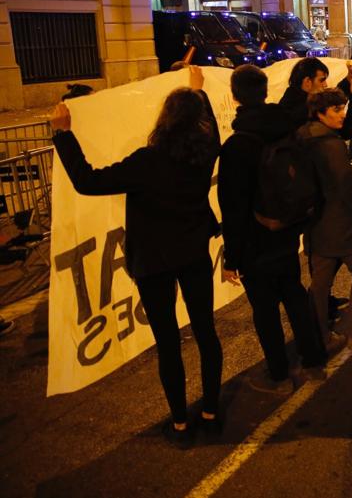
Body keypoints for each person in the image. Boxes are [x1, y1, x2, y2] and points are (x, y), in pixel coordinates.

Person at [51, 67, 223, 447]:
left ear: (164, 120)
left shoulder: (147, 161)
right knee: (206, 332)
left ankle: (180, 424)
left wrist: (63, 134)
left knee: (167, 342)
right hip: (192, 254)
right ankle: (211, 412)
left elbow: (87, 181)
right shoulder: (205, 153)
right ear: (198, 124)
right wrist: (201, 93)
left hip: (153, 262)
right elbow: (214, 129)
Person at [219, 65, 326, 395]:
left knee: (265, 310)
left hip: (255, 240)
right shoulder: (286, 128)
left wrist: (231, 257)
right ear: (265, 91)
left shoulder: (237, 145)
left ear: (235, 96)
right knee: (294, 293)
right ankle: (313, 359)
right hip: (287, 229)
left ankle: (278, 374)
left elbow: (233, 207)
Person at [298, 89, 352, 354]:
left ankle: (319, 336)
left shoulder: (303, 136)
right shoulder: (330, 145)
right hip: (341, 222)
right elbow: (346, 183)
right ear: (320, 113)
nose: (342, 114)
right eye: (336, 110)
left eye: (342, 108)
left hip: (314, 222)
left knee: (320, 283)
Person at [279, 57, 329, 130]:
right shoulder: (293, 108)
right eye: (322, 80)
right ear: (307, 81)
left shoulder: (309, 100)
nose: (326, 85)